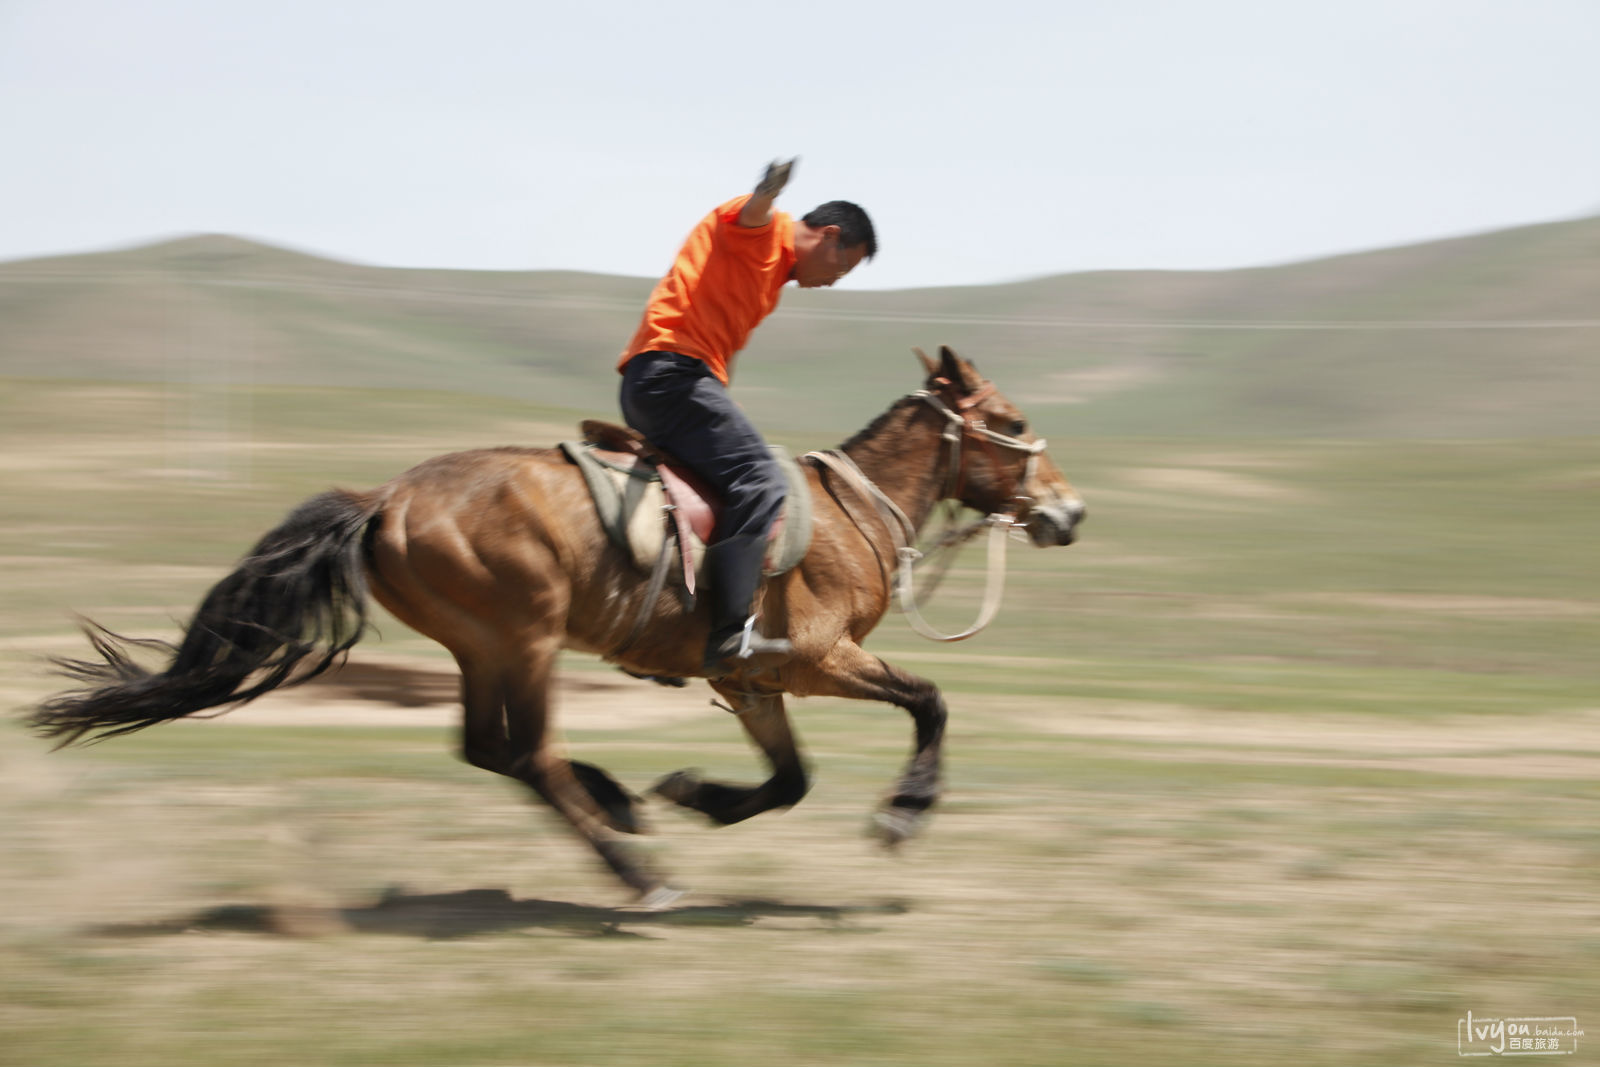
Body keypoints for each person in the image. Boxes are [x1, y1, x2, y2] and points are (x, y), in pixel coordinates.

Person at [616, 159, 877, 675]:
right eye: (840, 269)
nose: (833, 282)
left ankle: (665, 629)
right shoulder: (764, 234)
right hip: (672, 373)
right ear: (828, 236)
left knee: (719, 486)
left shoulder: (774, 277)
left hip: (672, 378)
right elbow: (752, 214)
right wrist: (766, 190)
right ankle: (730, 633)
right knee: (760, 480)